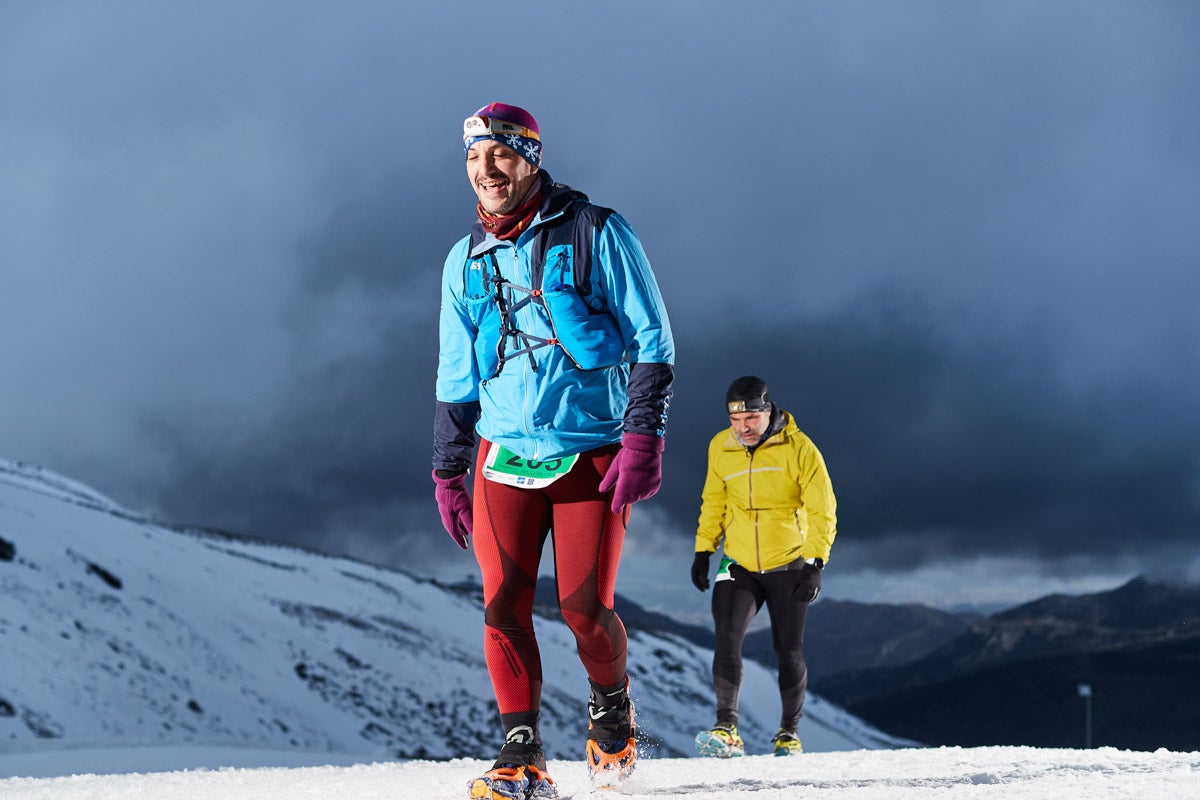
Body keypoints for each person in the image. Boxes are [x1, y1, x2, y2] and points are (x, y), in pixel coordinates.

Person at [432, 102, 674, 799]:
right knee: (503, 603)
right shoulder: (463, 260)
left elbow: (652, 337)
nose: (486, 169)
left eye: (500, 154)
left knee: (583, 610)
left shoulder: (598, 230)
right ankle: (522, 757)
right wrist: (449, 470)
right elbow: (455, 373)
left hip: (590, 450)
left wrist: (643, 437)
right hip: (502, 453)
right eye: (474, 157)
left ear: (530, 159)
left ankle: (612, 709)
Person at [690, 375, 836, 758]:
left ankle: (789, 733)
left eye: (751, 418)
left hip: (789, 563)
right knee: (727, 635)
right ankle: (726, 728)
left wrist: (815, 562)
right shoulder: (720, 447)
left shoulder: (800, 449)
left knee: (787, 649)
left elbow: (823, 508)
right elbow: (714, 499)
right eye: (736, 420)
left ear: (768, 410)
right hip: (739, 561)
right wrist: (704, 549)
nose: (743, 428)